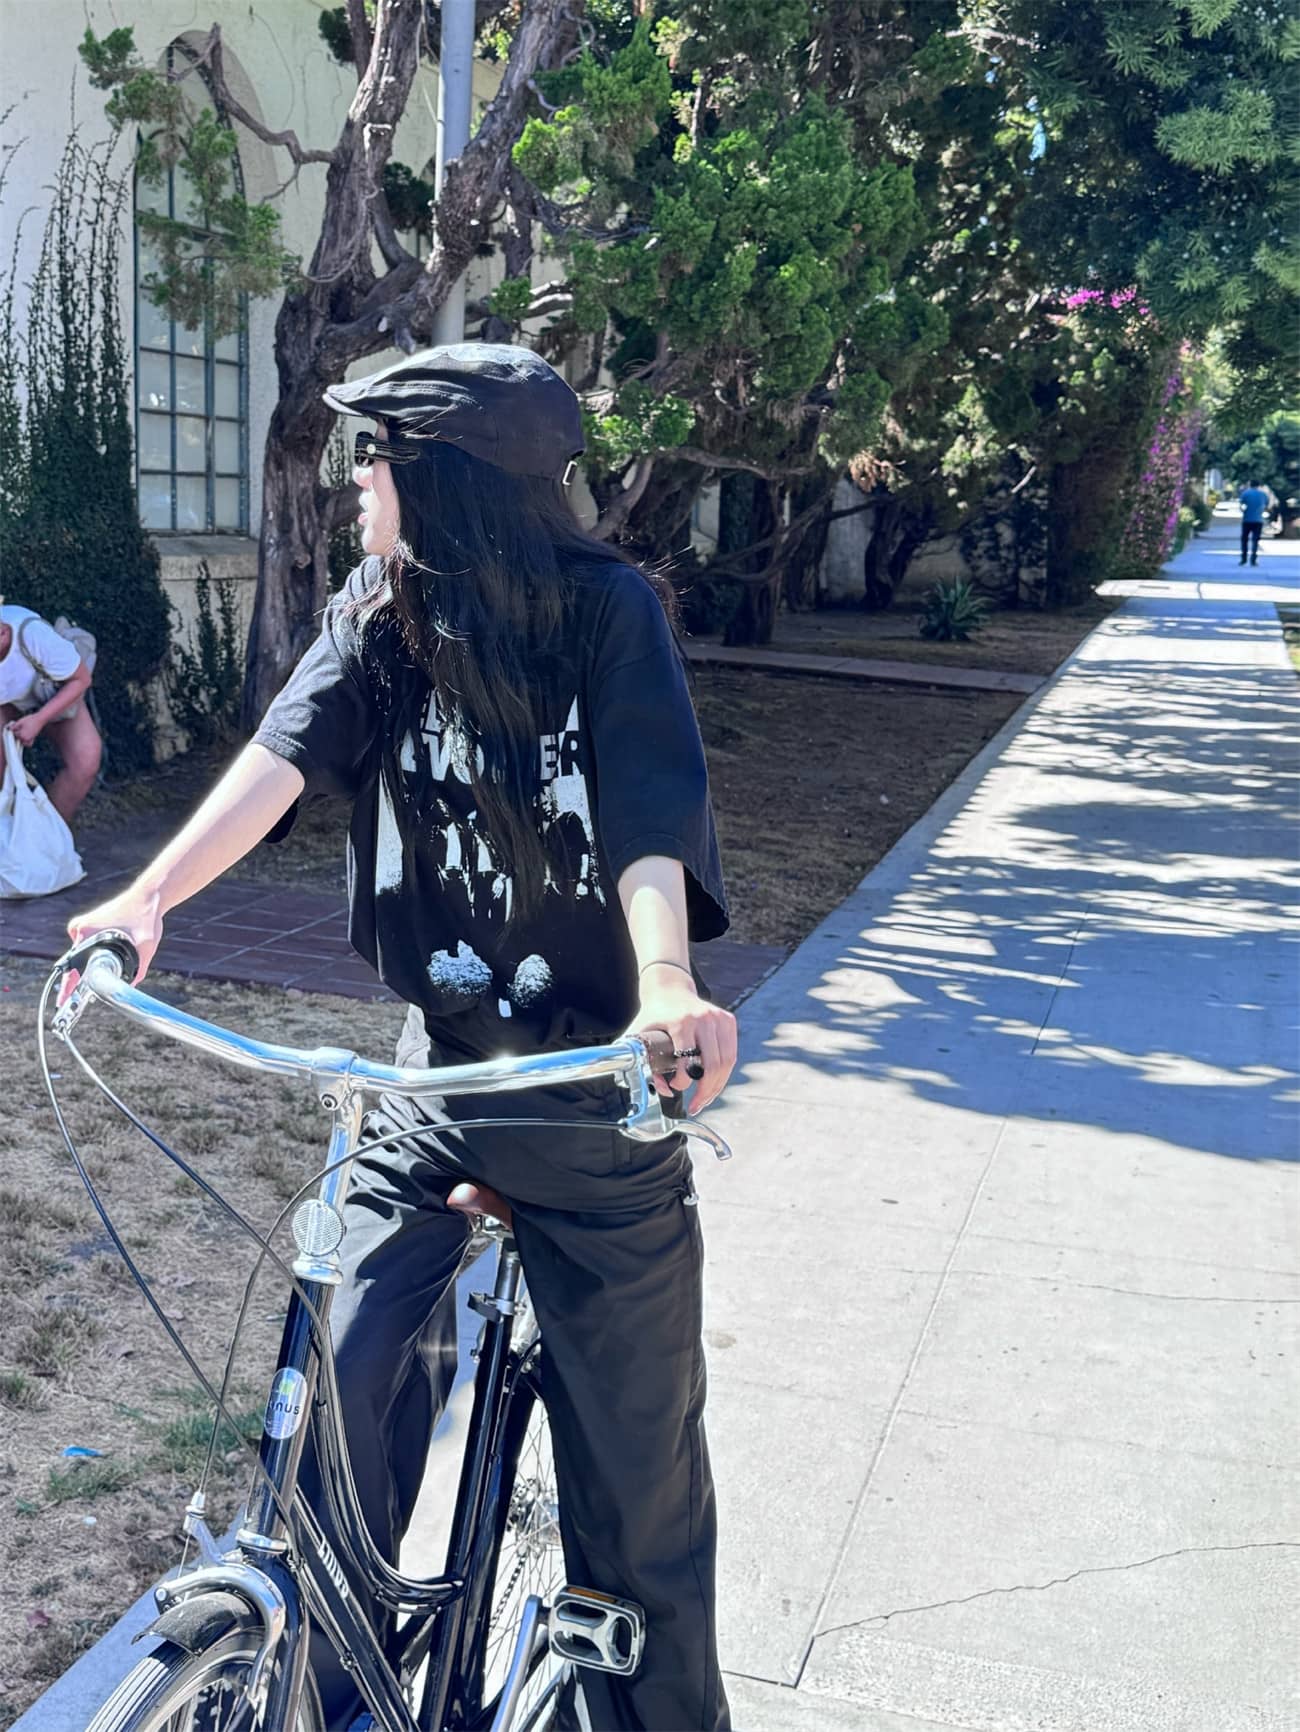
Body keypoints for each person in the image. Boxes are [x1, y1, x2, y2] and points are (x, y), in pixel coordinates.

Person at [65, 344, 737, 1732]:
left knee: (641, 1506)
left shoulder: (607, 613)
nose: (356, 480)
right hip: (436, 1084)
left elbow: (649, 814)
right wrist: (146, 899)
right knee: (335, 1402)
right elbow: (279, 759)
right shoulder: (382, 612)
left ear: (441, 477)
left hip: (593, 1100)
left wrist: (666, 983)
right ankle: (331, 1695)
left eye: (372, 456)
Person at [0, 595, 101, 823]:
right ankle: (8, 836)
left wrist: (39, 719)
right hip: (6, 704)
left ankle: (48, 835)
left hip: (49, 693)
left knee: (85, 758)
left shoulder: (32, 633)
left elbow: (81, 679)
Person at [1238, 479, 1270, 566]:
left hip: (1247, 520)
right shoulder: (1263, 494)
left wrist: (1244, 511)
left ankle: (1243, 559)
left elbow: (1241, 505)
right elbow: (1267, 505)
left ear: (1250, 485)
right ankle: (1253, 560)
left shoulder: (1246, 493)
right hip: (1258, 520)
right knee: (1255, 540)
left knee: (1244, 540)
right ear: (1258, 485)